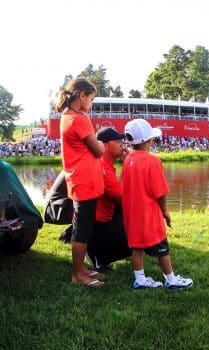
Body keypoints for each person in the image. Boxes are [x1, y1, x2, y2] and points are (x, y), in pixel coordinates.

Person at [122, 119, 193, 290]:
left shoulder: (127, 160)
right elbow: (160, 192)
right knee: (161, 246)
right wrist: (165, 211)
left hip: (132, 215)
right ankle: (171, 279)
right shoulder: (152, 161)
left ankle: (140, 279)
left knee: (137, 247)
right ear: (149, 140)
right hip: (149, 215)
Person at [56, 77, 105, 287]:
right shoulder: (79, 119)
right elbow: (99, 150)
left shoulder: (67, 116)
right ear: (82, 96)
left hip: (77, 180)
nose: (91, 104)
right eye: (91, 99)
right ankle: (78, 275)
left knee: (80, 226)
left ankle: (81, 269)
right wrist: (99, 139)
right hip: (85, 181)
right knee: (82, 229)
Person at [86, 127, 132, 268]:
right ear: (106, 145)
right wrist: (127, 166)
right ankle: (97, 255)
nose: (122, 144)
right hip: (97, 226)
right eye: (118, 141)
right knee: (137, 241)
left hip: (96, 221)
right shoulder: (103, 167)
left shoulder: (103, 163)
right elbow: (122, 199)